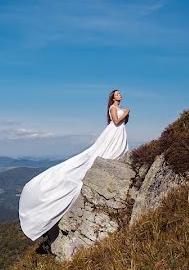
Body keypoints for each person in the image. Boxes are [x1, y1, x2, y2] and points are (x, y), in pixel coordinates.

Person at [18, 89, 130, 241]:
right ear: (112, 98)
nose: (120, 95)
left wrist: (125, 114)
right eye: (117, 94)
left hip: (118, 133)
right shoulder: (113, 108)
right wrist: (126, 112)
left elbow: (123, 122)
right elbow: (117, 122)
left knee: (113, 151)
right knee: (101, 154)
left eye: (120, 94)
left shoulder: (118, 108)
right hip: (114, 132)